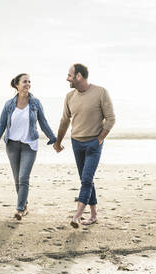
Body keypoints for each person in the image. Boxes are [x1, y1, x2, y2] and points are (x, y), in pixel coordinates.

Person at [53, 64, 116, 228]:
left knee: (86, 179)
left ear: (79, 76)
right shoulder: (69, 96)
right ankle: (94, 215)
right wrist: (58, 142)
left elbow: (111, 119)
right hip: (76, 143)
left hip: (94, 143)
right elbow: (64, 121)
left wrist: (99, 139)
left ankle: (77, 216)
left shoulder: (100, 92)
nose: (67, 78)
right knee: (85, 179)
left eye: (69, 75)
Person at [0, 73, 57, 220]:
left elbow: (43, 123)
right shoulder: (8, 104)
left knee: (23, 177)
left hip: (29, 145)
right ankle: (24, 205)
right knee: (17, 180)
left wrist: (53, 138)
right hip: (12, 145)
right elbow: (2, 125)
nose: (28, 84)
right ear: (17, 85)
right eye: (24, 82)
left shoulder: (35, 103)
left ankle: (19, 209)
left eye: (29, 82)